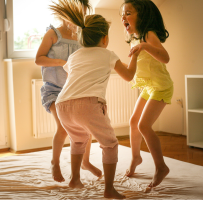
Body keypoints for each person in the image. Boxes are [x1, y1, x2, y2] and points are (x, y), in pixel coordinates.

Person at [50, 0, 139, 198]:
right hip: (88, 104)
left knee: (78, 140)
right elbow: (128, 76)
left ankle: (74, 180)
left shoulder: (74, 56)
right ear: (105, 39)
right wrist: (135, 55)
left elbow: (72, 76)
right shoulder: (108, 54)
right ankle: (109, 190)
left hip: (63, 104)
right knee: (110, 144)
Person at [35, 0, 102, 183]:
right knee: (64, 127)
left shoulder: (82, 35)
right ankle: (55, 163)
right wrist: (61, 62)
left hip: (75, 90)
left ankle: (85, 162)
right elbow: (38, 59)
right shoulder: (53, 34)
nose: (77, 19)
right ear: (65, 13)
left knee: (85, 127)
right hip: (54, 90)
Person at [121, 0, 173, 188]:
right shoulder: (135, 38)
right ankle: (136, 158)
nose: (123, 17)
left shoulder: (147, 35)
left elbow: (165, 58)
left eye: (128, 13)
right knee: (134, 121)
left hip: (161, 86)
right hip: (149, 87)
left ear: (141, 15)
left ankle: (161, 167)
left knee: (144, 125)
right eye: (123, 14)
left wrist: (145, 46)